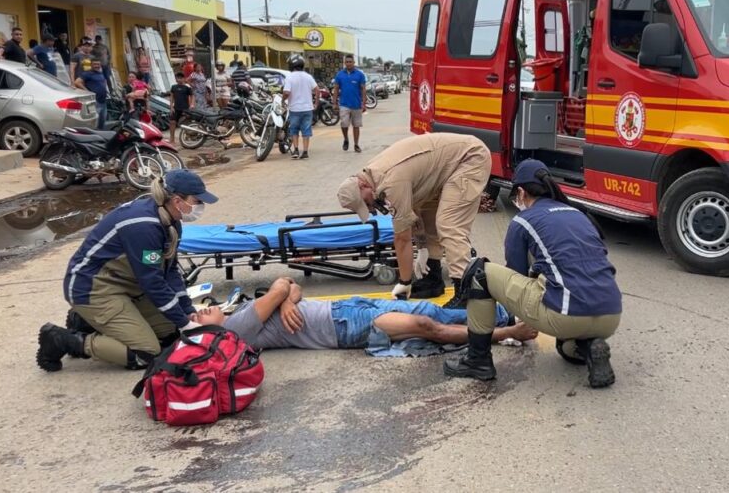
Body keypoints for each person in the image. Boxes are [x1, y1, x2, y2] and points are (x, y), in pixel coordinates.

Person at [443, 159, 622, 388]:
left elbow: (516, 276)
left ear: (520, 192)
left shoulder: (523, 221)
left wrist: (511, 323)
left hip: (566, 315)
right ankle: (588, 348)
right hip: (610, 315)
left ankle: (478, 360)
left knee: (479, 273)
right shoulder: (579, 214)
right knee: (565, 349)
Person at [37, 170, 219, 372]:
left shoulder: (171, 221)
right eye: (197, 201)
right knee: (147, 353)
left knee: (169, 333)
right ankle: (63, 340)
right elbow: (153, 281)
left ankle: (84, 321)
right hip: (92, 289)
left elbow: (170, 270)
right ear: (177, 200)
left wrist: (187, 312)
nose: (200, 207)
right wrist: (185, 322)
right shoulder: (144, 226)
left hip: (123, 286)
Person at [336, 133, 491, 308]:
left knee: (448, 224)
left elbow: (402, 238)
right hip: (445, 167)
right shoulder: (372, 177)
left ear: (362, 185)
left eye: (365, 202)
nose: (370, 207)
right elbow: (413, 212)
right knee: (428, 215)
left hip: (469, 158)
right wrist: (423, 248)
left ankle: (466, 292)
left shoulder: (390, 183)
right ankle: (433, 279)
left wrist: (404, 281)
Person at [191, 277, 537, 353]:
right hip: (345, 327)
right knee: (426, 325)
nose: (199, 312)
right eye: (195, 321)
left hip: (347, 309)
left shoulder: (238, 315)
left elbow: (290, 287)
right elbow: (282, 287)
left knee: (430, 314)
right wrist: (282, 297)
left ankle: (505, 317)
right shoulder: (235, 329)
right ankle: (505, 330)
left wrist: (285, 301)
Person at [282, 54, 318, 159]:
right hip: (307, 109)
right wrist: (316, 103)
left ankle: (296, 150)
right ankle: (305, 152)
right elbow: (317, 90)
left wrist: (283, 99)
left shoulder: (290, 77)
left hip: (294, 109)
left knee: (294, 130)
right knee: (306, 131)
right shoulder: (308, 76)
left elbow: (286, 92)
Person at [332, 54, 367, 153]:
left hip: (356, 105)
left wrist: (363, 103)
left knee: (356, 125)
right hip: (344, 104)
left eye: (350, 62)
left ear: (354, 63)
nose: (348, 63)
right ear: (344, 63)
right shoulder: (339, 75)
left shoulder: (359, 74)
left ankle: (356, 144)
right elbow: (336, 89)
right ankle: (346, 139)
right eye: (346, 62)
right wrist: (334, 103)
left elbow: (363, 89)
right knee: (344, 124)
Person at [74, 59, 110, 129]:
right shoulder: (87, 73)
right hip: (94, 101)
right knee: (94, 123)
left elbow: (104, 82)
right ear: (91, 65)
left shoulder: (101, 73)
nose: (97, 66)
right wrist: (87, 91)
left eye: (98, 64)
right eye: (95, 64)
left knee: (102, 123)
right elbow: (77, 82)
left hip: (103, 102)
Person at [168, 72, 194, 143]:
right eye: (178, 78)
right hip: (176, 108)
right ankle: (172, 139)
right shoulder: (173, 87)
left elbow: (192, 96)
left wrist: (192, 104)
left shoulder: (187, 87)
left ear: (184, 79)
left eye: (181, 78)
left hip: (185, 108)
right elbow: (171, 97)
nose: (179, 79)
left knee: (186, 123)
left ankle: (188, 137)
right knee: (172, 122)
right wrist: (171, 107)